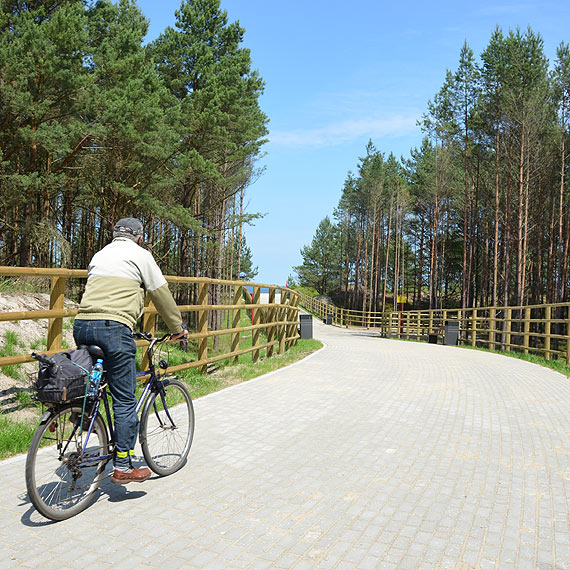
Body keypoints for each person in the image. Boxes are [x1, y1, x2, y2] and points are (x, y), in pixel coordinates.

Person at [73, 218, 188, 485]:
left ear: (115, 236)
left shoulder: (100, 254)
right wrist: (177, 327)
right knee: (124, 398)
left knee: (96, 382)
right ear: (139, 237)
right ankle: (123, 465)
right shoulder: (141, 255)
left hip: (82, 326)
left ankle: (81, 414)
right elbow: (161, 295)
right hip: (114, 327)